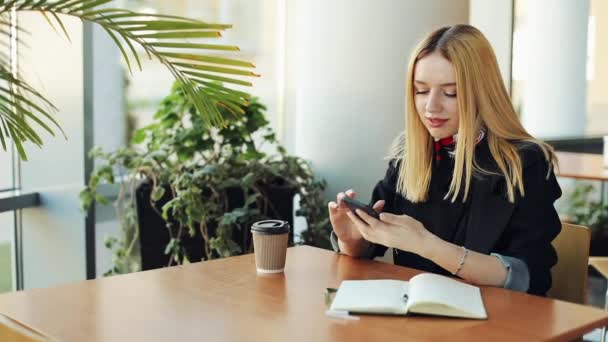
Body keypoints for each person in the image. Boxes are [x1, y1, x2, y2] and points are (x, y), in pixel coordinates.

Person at [328, 24, 561, 296]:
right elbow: (373, 245)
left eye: (450, 92)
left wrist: (427, 245)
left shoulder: (524, 163)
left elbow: (526, 277)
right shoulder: (411, 153)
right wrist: (352, 239)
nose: (431, 106)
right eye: (421, 90)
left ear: (482, 93)